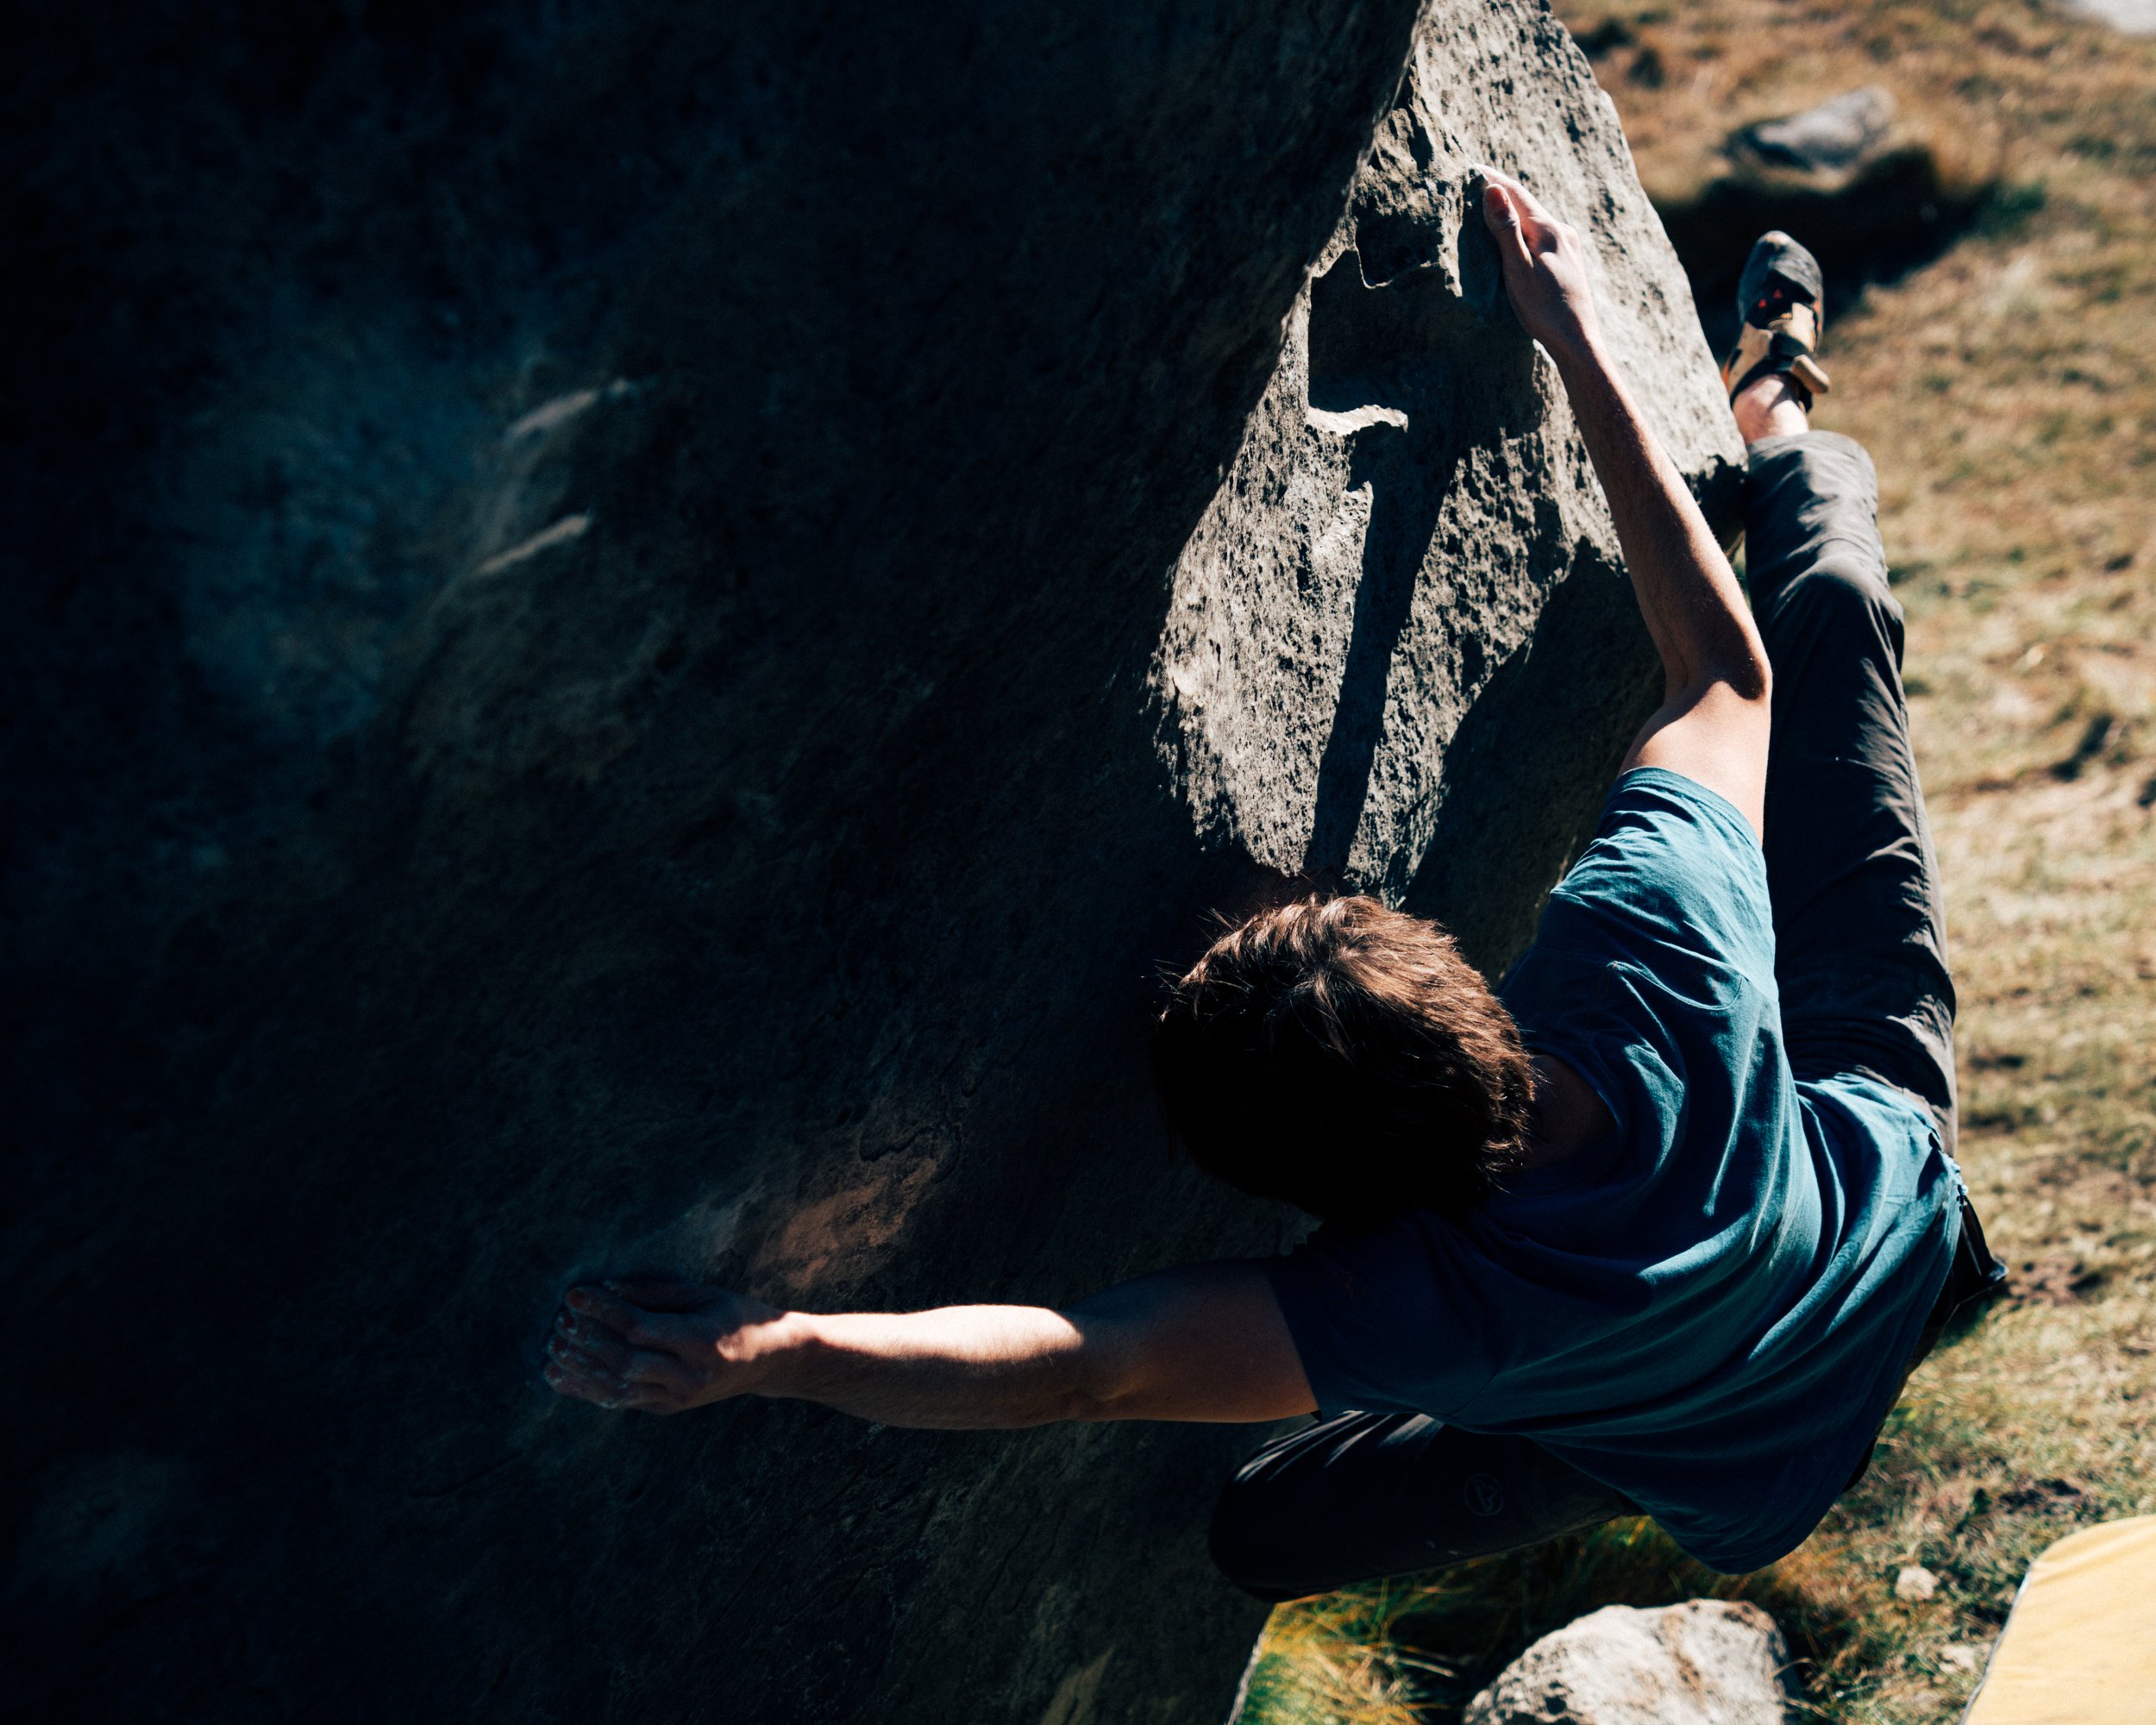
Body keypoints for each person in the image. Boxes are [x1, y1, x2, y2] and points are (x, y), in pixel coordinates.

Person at [538, 169, 2002, 1594]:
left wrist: (772, 1350)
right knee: (1823, 609)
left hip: (1744, 1432)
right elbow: (1725, 672)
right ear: (1454, 975)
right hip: (1877, 1191)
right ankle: (1785, 415)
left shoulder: (1410, 1305)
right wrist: (1571, 329)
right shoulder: (1642, 959)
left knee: (1277, 1530)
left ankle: (1776, 395)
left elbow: (1088, 1369)